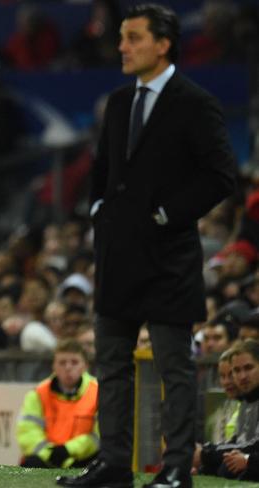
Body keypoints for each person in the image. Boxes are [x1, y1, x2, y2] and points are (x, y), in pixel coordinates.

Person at [56, 4, 236, 488]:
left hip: (168, 256)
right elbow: (102, 167)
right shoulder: (118, 102)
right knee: (112, 365)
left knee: (174, 368)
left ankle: (178, 466)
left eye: (133, 37)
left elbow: (221, 175)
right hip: (118, 255)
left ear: (163, 44)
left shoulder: (194, 102)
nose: (122, 46)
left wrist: (166, 215)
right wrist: (97, 210)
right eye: (122, 37)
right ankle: (114, 463)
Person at [17, 339, 99, 469]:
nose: (68, 367)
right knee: (31, 462)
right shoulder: (38, 394)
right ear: (53, 366)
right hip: (47, 458)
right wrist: (52, 455)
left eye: (74, 362)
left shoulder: (98, 392)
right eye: (62, 362)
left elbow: (98, 436)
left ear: (85, 366)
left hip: (84, 458)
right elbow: (28, 433)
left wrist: (68, 450)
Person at [195, 340, 259, 481]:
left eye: (248, 368)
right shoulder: (246, 400)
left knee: (228, 469)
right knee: (213, 468)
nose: (242, 376)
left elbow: (254, 444)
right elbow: (240, 440)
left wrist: (205, 454)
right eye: (236, 370)